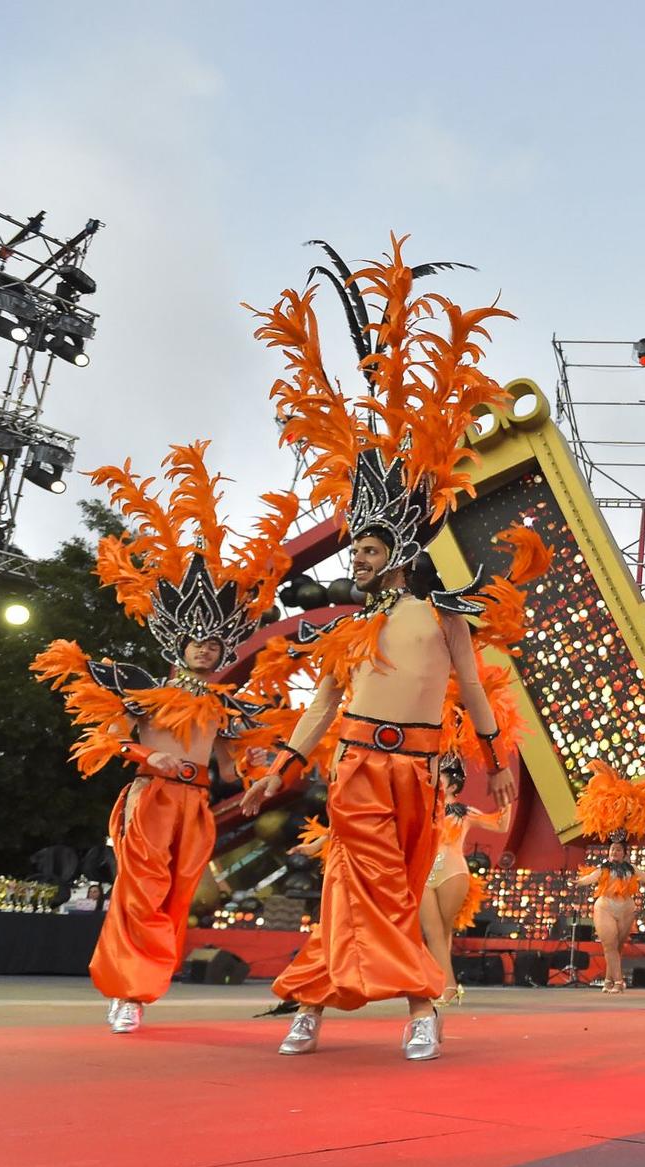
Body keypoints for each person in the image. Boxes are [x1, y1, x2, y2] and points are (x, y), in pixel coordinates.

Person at [239, 246, 539, 1060]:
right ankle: (352, 1001)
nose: (358, 558)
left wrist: (493, 754)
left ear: (400, 549)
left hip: (420, 771)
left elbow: (472, 683)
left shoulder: (440, 612)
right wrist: (284, 765)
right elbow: (324, 704)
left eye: (371, 547)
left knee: (394, 890)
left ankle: (387, 1005)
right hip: (358, 767)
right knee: (356, 875)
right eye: (355, 548)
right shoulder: (344, 628)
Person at [32, 441, 295, 1035]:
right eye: (195, 642)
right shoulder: (142, 688)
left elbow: (235, 763)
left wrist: (258, 769)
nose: (203, 648)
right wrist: (150, 754)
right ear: (179, 646)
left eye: (212, 643)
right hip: (151, 797)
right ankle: (126, 990)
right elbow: (112, 741)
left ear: (222, 651)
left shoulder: (227, 703)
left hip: (196, 806)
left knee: (177, 896)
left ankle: (144, 988)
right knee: (139, 891)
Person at [574, 759, 645, 993]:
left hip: (626, 908)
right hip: (605, 907)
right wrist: (578, 882)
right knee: (609, 944)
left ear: (624, 852)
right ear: (609, 852)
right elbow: (590, 879)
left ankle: (609, 980)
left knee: (617, 947)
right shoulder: (604, 868)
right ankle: (619, 982)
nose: (615, 852)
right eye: (612, 850)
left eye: (618, 850)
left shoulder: (631, 870)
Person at [424, 756, 513, 1005]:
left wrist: (504, 797)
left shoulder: (464, 814)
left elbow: (501, 825)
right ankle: (442, 984)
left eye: (439, 779)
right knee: (432, 931)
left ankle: (446, 986)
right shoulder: (424, 810)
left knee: (441, 929)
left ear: (452, 786)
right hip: (425, 874)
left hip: (452, 872)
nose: (433, 782)